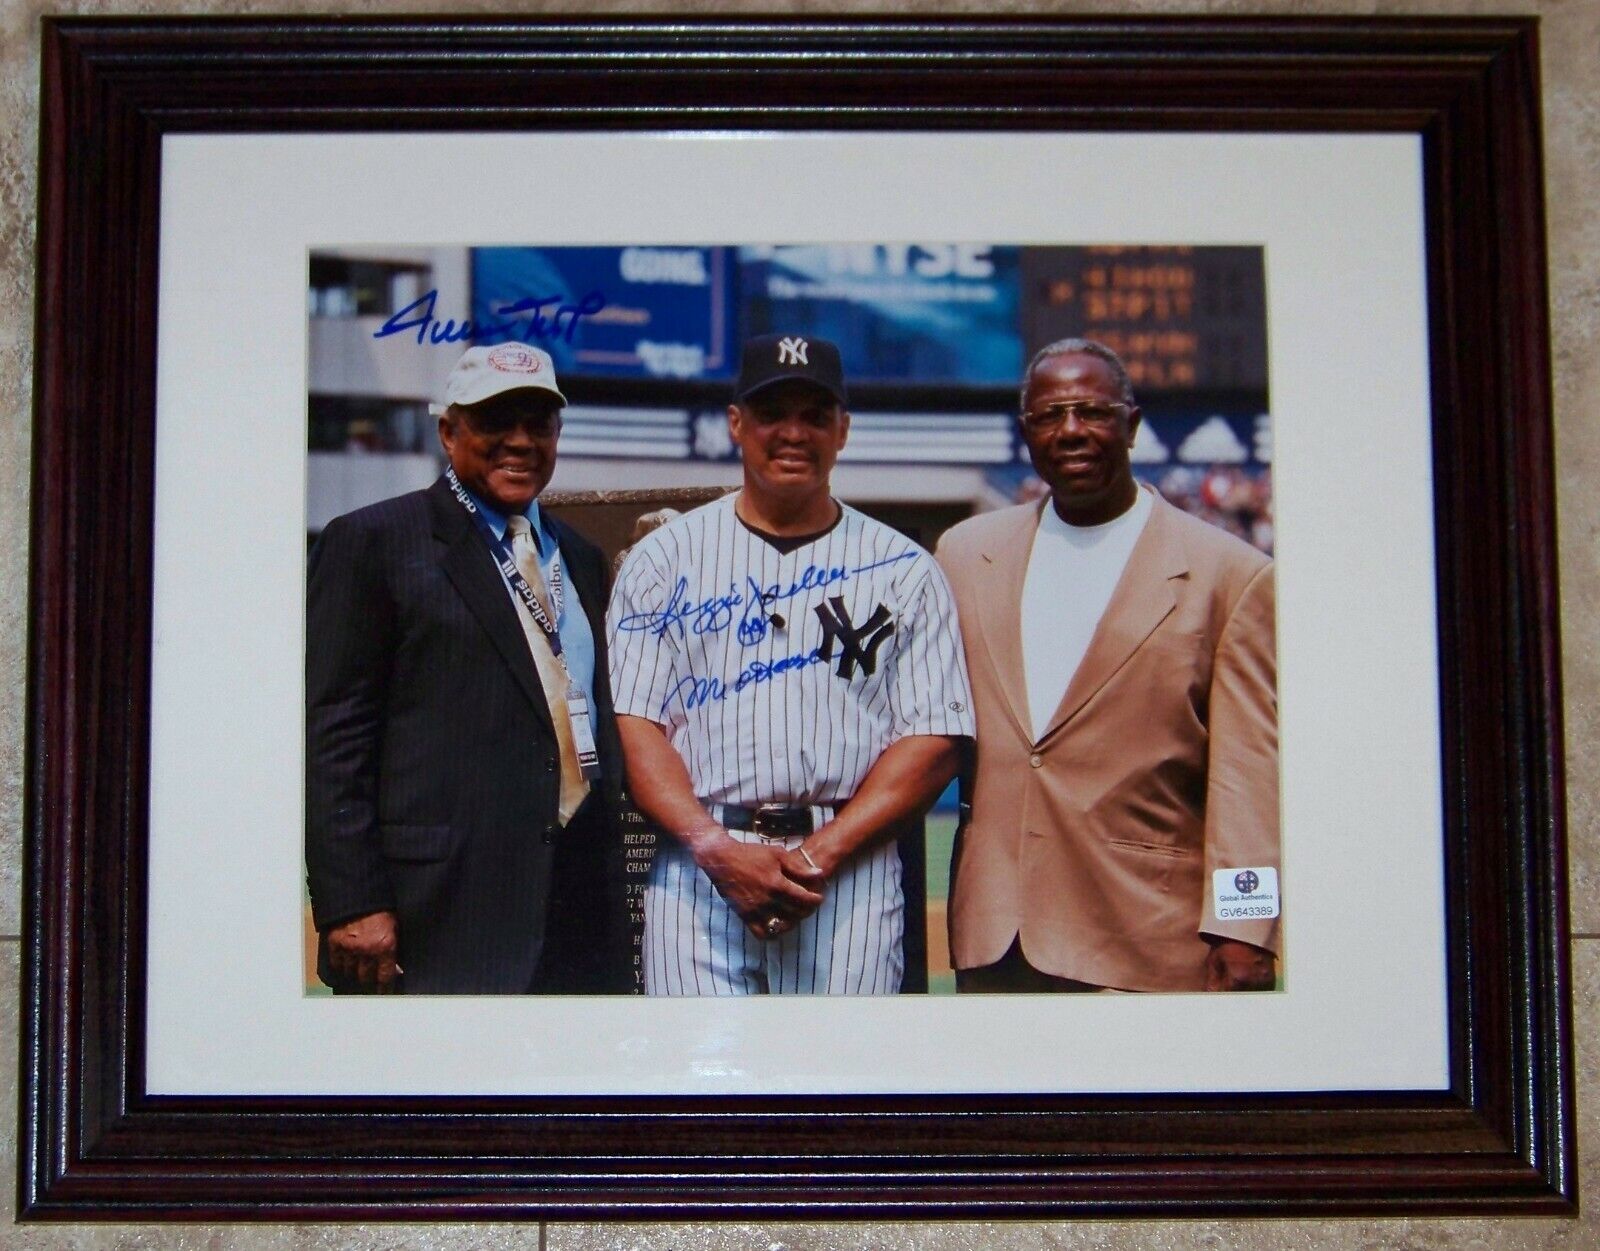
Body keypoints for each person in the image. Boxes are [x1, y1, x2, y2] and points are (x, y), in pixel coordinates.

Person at [607, 333, 974, 994]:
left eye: (814, 414)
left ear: (844, 430)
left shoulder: (905, 568)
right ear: (736, 423)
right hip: (699, 868)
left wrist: (817, 854)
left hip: (848, 867)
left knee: (840, 1088)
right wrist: (715, 847)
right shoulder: (665, 559)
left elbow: (934, 741)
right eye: (773, 412)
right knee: (696, 1089)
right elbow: (636, 729)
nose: (793, 432)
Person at [936, 338, 1280, 993]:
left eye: (1093, 411)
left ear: (1133, 424)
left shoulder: (1228, 573)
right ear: (1026, 431)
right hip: (994, 936)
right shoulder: (965, 553)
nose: (1071, 431)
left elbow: (1249, 777)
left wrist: (1246, 926)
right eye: (1050, 415)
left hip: (1141, 935)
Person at [305, 341, 627, 994]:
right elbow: (333, 732)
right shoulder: (373, 542)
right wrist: (352, 898)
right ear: (449, 430)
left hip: (578, 910)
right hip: (441, 913)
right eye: (493, 421)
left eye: (537, 422)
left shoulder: (582, 559)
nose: (518, 441)